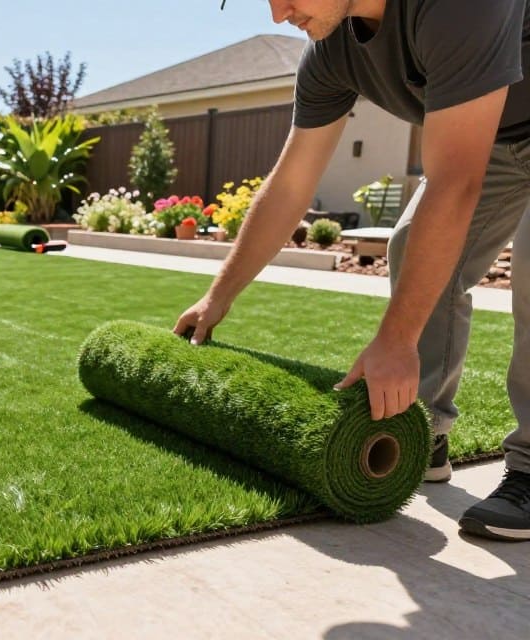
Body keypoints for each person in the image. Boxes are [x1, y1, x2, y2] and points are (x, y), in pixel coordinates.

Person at [176, 1, 530, 540]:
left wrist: (396, 339)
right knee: (415, 247)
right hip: (500, 133)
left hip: (497, 129)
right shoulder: (330, 52)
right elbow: (292, 183)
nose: (277, 14)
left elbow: (454, 181)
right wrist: (217, 297)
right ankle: (419, 427)